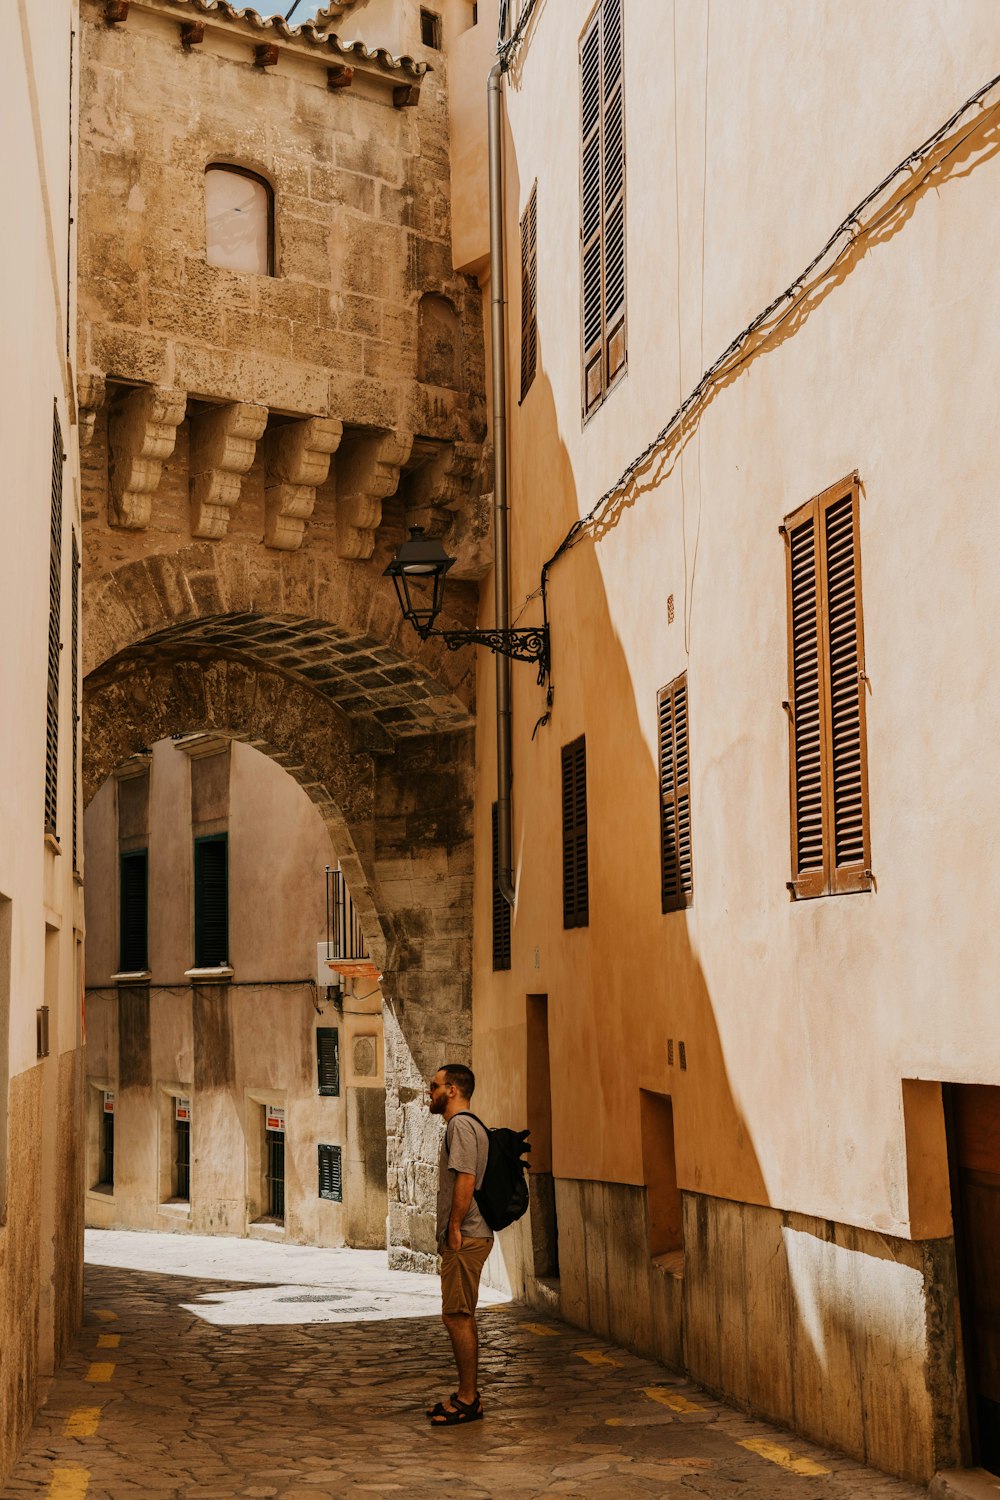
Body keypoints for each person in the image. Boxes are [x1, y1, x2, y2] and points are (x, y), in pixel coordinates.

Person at [426, 1062, 493, 1426]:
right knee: (457, 1313)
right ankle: (465, 1394)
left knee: (457, 1315)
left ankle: (469, 1399)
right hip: (469, 1233)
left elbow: (466, 1178)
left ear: (452, 1089)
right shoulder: (467, 1126)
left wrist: (454, 1226)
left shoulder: (461, 1126)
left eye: (434, 1085)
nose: (429, 1092)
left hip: (466, 1235)